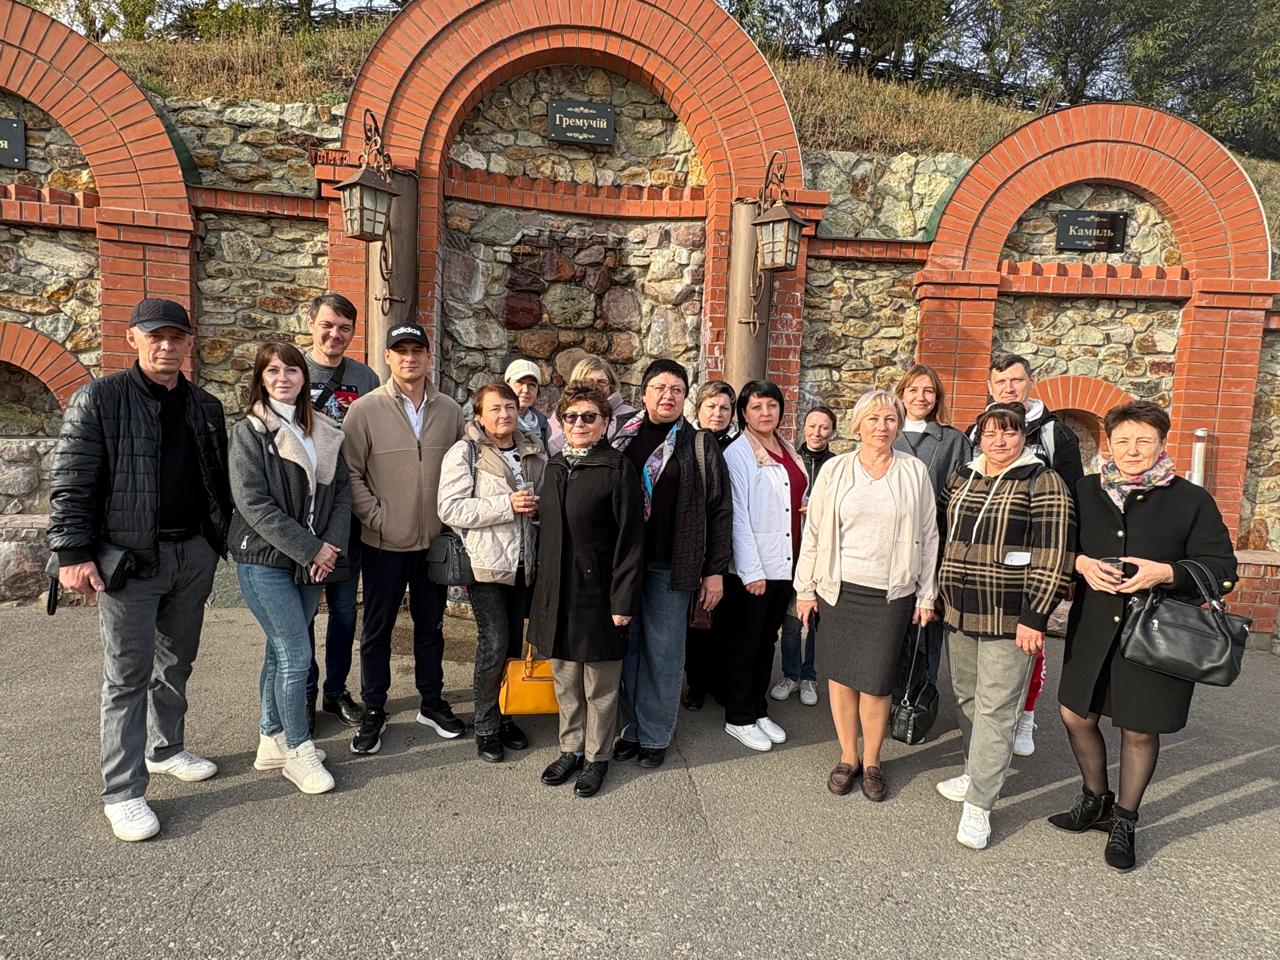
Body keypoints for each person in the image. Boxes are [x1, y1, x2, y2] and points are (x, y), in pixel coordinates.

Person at [48, 298, 231, 842]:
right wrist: (72, 553)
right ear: (133, 339)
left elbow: (216, 481)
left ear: (189, 343)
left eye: (176, 337)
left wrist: (218, 541)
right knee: (126, 675)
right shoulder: (99, 399)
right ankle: (123, 792)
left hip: (192, 554)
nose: (166, 346)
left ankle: (165, 749)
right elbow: (72, 480)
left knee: (176, 662)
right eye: (155, 336)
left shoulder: (205, 405)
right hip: (130, 560)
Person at [1050, 401, 1236, 871]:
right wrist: (1081, 563)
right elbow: (1059, 545)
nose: (1133, 450)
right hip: (1095, 626)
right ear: (1109, 443)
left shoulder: (1191, 499)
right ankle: (1095, 799)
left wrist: (1165, 572)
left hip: (1157, 633)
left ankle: (1125, 820)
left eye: (1144, 441)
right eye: (1124, 441)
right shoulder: (1085, 490)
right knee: (1075, 714)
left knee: (1138, 728)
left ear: (1161, 443)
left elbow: (1222, 569)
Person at [935, 402, 1075, 850]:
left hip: (1011, 617)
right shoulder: (963, 476)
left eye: (1009, 432)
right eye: (991, 433)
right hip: (959, 610)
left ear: (1023, 437)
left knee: (997, 708)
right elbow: (941, 534)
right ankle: (974, 771)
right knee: (967, 698)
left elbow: (1056, 554)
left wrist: (1036, 615)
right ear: (979, 437)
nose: (999, 440)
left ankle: (980, 805)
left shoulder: (1043, 481)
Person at [794, 389, 939, 801]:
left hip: (891, 594)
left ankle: (872, 760)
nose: (882, 426)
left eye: (890, 419)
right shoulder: (835, 470)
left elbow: (929, 535)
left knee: (876, 683)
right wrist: (805, 589)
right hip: (839, 590)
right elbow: (814, 533)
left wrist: (926, 595)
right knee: (841, 678)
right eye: (873, 419)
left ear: (898, 426)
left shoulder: (914, 471)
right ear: (857, 425)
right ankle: (848, 756)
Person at [229, 342, 349, 795]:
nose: (283, 378)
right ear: (261, 378)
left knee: (278, 652)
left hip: (311, 559)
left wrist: (329, 547)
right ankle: (299, 750)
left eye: (292, 370)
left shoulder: (323, 429)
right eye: (273, 371)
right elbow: (253, 503)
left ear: (304, 376)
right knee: (297, 655)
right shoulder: (250, 431)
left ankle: (271, 738)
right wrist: (312, 549)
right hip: (266, 559)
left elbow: (340, 494)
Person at [342, 322, 467, 755]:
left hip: (433, 542)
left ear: (429, 356)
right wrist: (376, 518)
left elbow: (461, 469)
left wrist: (449, 522)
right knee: (377, 630)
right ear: (388, 357)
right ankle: (374, 707)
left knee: (431, 627)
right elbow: (350, 473)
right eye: (401, 350)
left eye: (417, 350)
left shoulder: (450, 410)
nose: (409, 358)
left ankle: (431, 702)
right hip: (383, 543)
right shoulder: (364, 410)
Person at [611, 360, 733, 768]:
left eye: (677, 390)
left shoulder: (698, 444)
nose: (668, 396)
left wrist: (714, 570)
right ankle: (630, 728)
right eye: (660, 388)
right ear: (644, 393)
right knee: (627, 650)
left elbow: (720, 510)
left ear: (685, 397)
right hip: (623, 566)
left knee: (663, 654)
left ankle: (655, 733)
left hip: (671, 566)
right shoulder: (620, 437)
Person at [527, 383, 645, 797]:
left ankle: (597, 757)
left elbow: (631, 540)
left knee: (600, 686)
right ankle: (571, 749)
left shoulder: (617, 468)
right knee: (565, 681)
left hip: (599, 595)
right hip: (557, 594)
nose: (579, 424)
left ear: (605, 422)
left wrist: (622, 600)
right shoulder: (556, 466)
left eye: (589, 417)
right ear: (562, 422)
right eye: (572, 417)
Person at [967, 354, 1084, 758]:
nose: (1009, 388)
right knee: (987, 649)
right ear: (990, 387)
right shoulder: (976, 431)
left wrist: (1068, 565)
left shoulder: (1055, 435)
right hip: (984, 560)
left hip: (1033, 561)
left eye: (1016, 380)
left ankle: (1026, 714)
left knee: (1029, 641)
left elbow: (1074, 502)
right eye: (1001, 382)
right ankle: (991, 717)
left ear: (1031, 382)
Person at [438, 382, 547, 763]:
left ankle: (506, 714)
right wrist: (507, 505)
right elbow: (450, 509)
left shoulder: (534, 448)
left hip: (526, 563)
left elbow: (546, 499)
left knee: (514, 643)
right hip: (486, 565)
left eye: (510, 407)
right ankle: (485, 725)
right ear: (480, 415)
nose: (504, 414)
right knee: (494, 642)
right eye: (495, 408)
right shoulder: (465, 452)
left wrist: (538, 510)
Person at [303, 293, 381, 732]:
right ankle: (303, 691)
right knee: (302, 613)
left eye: (344, 328)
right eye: (327, 325)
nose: (335, 334)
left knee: (345, 611)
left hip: (347, 512)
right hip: (303, 513)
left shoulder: (364, 378)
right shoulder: (292, 369)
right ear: (311, 323)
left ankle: (335, 691)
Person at [722, 379, 806, 752]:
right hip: (756, 569)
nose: (765, 412)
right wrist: (751, 571)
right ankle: (738, 717)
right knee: (745, 643)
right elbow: (738, 515)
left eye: (772, 405)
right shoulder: (738, 453)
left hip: (785, 564)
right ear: (744, 413)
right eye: (756, 406)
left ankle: (758, 708)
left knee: (766, 641)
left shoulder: (785, 447)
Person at [890, 363, 972, 702]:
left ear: (937, 398)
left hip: (933, 546)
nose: (920, 397)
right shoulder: (887, 433)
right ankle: (886, 696)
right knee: (891, 627)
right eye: (913, 390)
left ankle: (917, 699)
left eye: (928, 391)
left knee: (925, 626)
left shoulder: (953, 441)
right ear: (901, 394)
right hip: (888, 549)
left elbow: (962, 501)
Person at [771, 405, 837, 707]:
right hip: (793, 551)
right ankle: (791, 674)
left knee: (816, 621)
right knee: (792, 621)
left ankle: (810, 675)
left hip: (824, 555)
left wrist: (820, 511)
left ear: (832, 432)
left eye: (824, 427)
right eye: (812, 426)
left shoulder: (837, 466)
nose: (817, 433)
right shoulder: (791, 462)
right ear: (803, 428)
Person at [682, 380, 738, 711]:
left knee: (727, 621)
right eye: (711, 407)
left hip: (734, 545)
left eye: (725, 408)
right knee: (698, 622)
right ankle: (697, 683)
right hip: (702, 546)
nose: (718, 413)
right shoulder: (689, 443)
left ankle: (719, 681)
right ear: (699, 409)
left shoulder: (740, 445)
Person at [546, 355, 637, 455]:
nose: (595, 386)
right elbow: (553, 448)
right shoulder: (559, 416)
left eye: (601, 382)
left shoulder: (630, 416)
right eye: (588, 381)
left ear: (611, 385)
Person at [504, 358, 549, 449]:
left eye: (532, 385)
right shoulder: (496, 422)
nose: (526, 390)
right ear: (506, 386)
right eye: (519, 383)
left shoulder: (543, 424)